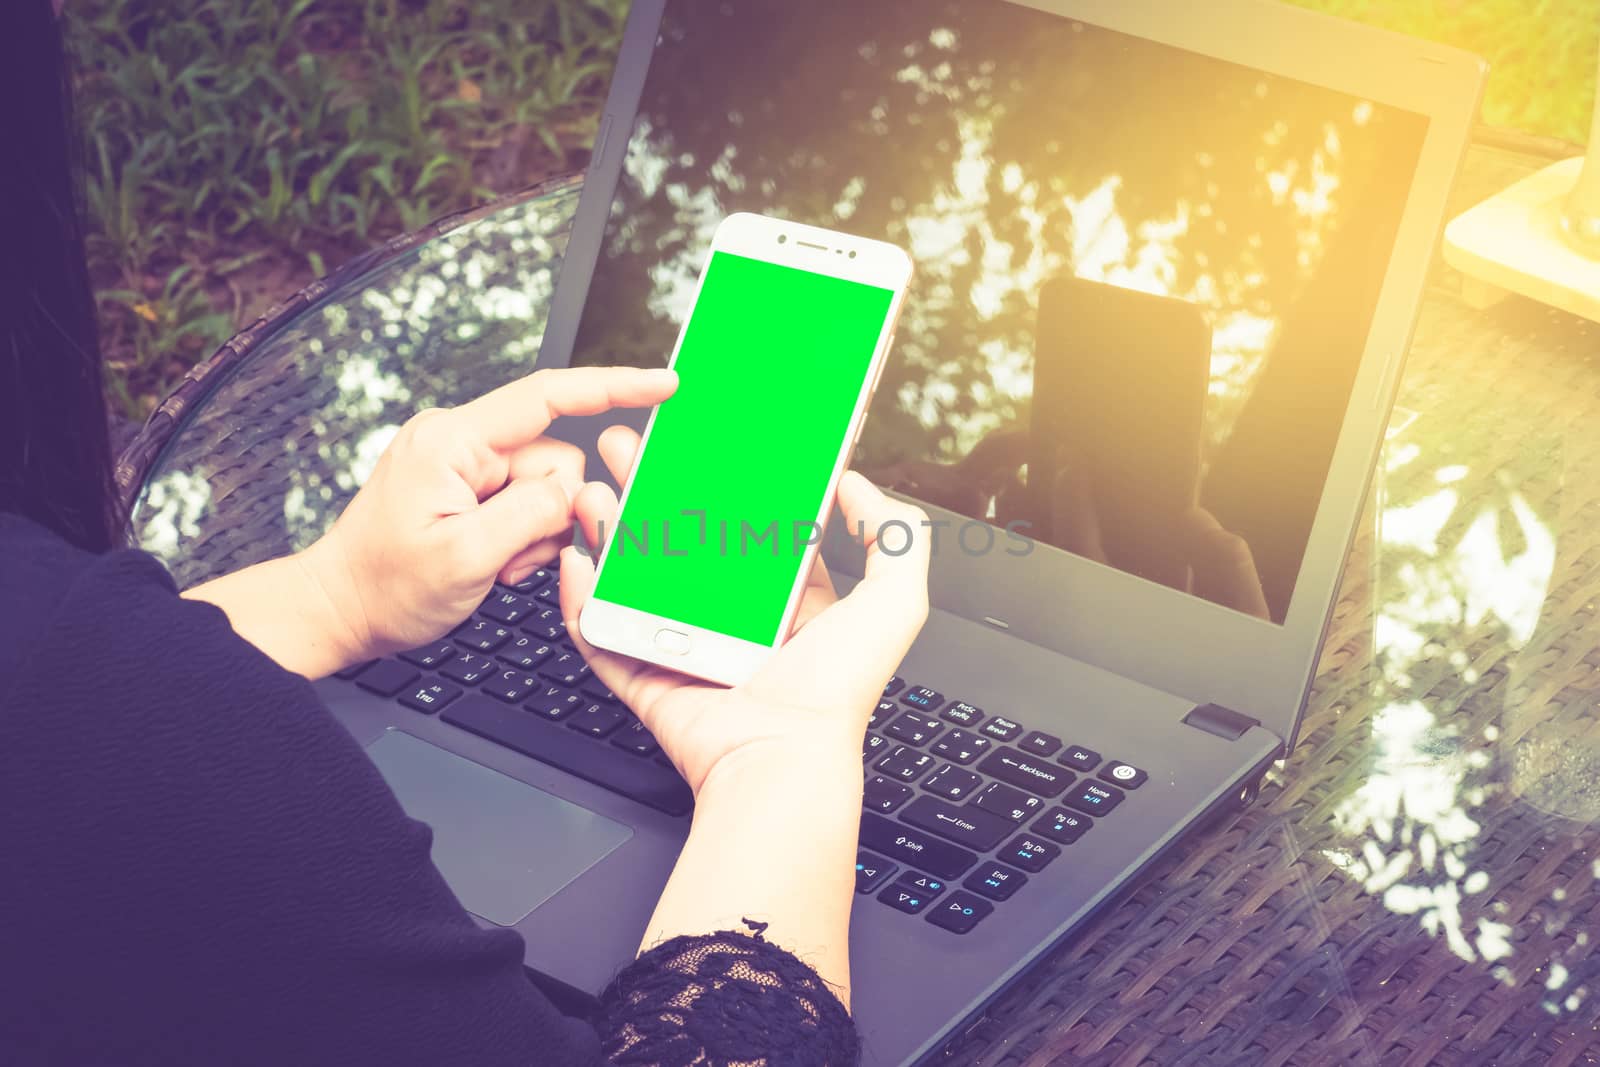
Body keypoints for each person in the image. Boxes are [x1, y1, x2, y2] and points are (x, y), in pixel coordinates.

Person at [0, 2, 930, 1064]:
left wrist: (332, 595)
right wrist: (783, 753)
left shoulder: (72, 677)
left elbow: (60, 709)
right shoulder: (162, 746)